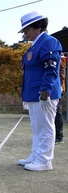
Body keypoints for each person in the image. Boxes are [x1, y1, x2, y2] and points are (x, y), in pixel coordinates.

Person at [18, 11, 62, 171]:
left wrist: (45, 91)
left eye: (26, 29)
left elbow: (51, 68)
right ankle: (36, 155)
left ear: (38, 27)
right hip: (33, 95)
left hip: (43, 94)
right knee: (37, 127)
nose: (25, 33)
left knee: (45, 127)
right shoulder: (36, 44)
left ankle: (44, 161)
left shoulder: (49, 42)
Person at [55, 53, 66, 144]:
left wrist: (60, 85)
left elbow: (62, 71)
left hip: (58, 88)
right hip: (54, 87)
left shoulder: (60, 55)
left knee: (57, 112)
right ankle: (55, 135)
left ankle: (59, 136)